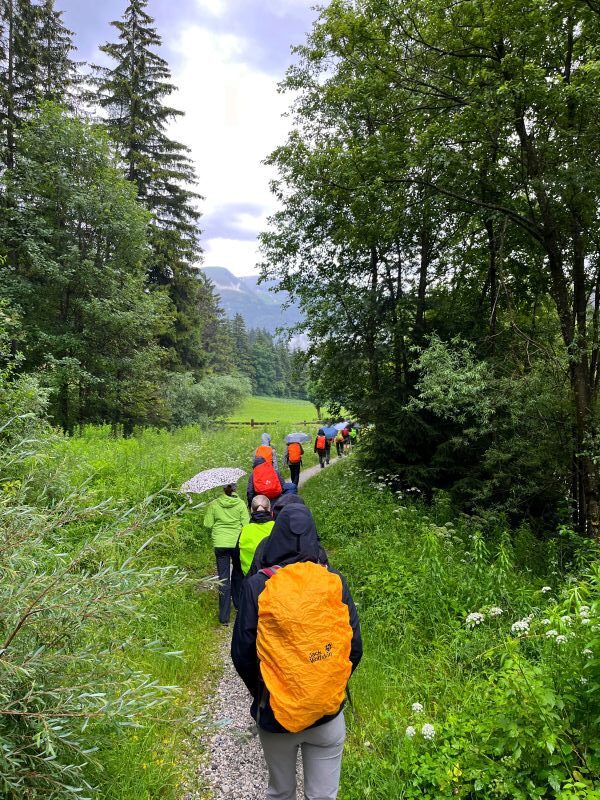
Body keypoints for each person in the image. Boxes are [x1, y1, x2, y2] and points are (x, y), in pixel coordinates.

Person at [232, 505, 362, 800]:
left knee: (280, 793)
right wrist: (325, 681)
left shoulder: (257, 586)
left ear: (276, 538)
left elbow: (241, 654)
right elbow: (354, 648)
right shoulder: (334, 582)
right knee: (323, 796)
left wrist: (267, 691)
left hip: (277, 717)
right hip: (327, 713)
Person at [203, 483, 249, 625]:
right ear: (235, 488)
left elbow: (208, 524)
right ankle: (239, 606)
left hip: (220, 544)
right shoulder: (240, 504)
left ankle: (224, 617)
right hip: (236, 542)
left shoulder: (214, 504)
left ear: (223, 488)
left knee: (223, 578)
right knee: (237, 573)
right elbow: (246, 524)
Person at [237, 495, 275, 576]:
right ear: (270, 509)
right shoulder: (277, 527)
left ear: (251, 510)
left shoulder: (245, 530)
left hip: (249, 575)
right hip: (271, 575)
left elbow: (236, 556)